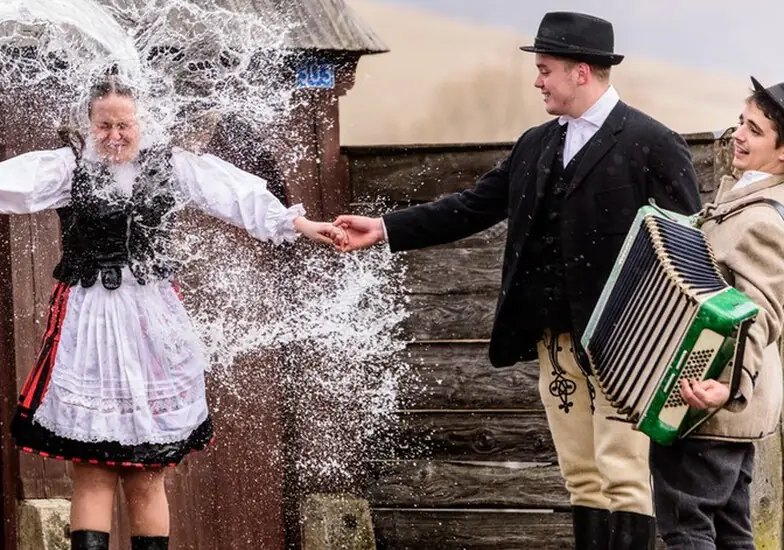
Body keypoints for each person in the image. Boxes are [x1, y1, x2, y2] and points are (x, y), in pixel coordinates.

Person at [332, 11, 701, 549]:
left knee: (623, 475)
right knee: (581, 475)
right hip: (556, 344)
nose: (537, 81)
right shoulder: (536, 144)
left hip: (629, 343)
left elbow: (686, 247)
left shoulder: (653, 143)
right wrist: (386, 228)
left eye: (545, 69)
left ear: (580, 72)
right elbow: (471, 206)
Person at [0, 73, 345, 550]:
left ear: (143, 122)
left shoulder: (172, 166)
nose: (114, 136)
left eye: (124, 126)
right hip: (89, 320)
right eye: (104, 126)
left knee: (148, 474)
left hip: (152, 322)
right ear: (88, 124)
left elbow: (237, 196)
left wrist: (299, 224)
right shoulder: (67, 168)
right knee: (92, 471)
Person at [654, 77, 784, 550]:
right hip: (723, 408)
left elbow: (761, 311)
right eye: (740, 122)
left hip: (711, 403)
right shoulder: (740, 199)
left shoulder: (764, 219)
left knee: (686, 528)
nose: (738, 136)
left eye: (754, 130)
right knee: (731, 534)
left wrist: (728, 386)